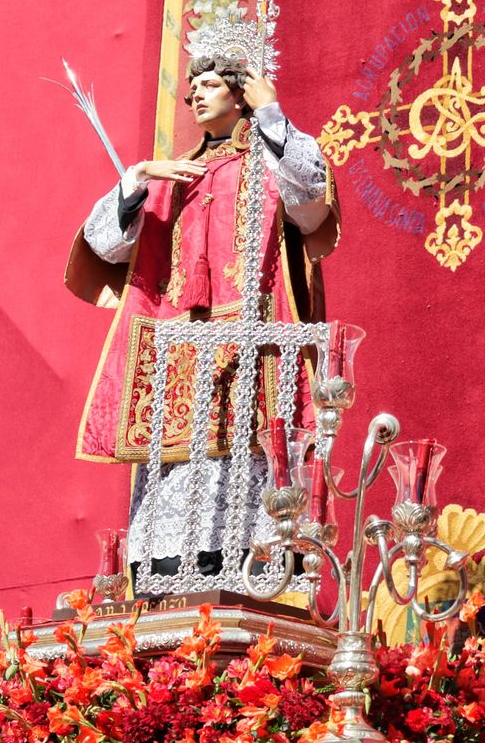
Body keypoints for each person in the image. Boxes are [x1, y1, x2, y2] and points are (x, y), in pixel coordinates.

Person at [65, 49, 340, 583]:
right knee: (175, 492)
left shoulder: (271, 159)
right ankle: (168, 570)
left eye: (210, 84)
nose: (195, 94)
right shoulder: (171, 174)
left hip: (250, 343)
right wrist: (138, 178)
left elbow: (311, 205)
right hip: (179, 348)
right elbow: (106, 247)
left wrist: (272, 117)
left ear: (240, 94)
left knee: (252, 474)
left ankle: (254, 563)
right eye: (192, 86)